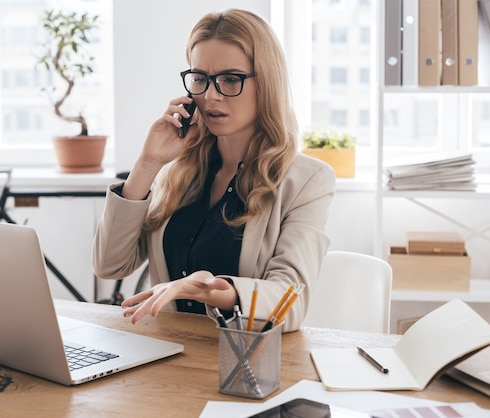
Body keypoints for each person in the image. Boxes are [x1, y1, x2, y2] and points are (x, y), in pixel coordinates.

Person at [93, 9, 335, 333]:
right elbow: (110, 264)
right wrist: (148, 164)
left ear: (267, 83)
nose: (210, 95)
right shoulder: (177, 171)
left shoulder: (306, 181)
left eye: (230, 79)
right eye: (200, 79)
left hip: (244, 366)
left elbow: (289, 301)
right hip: (170, 357)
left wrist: (214, 291)